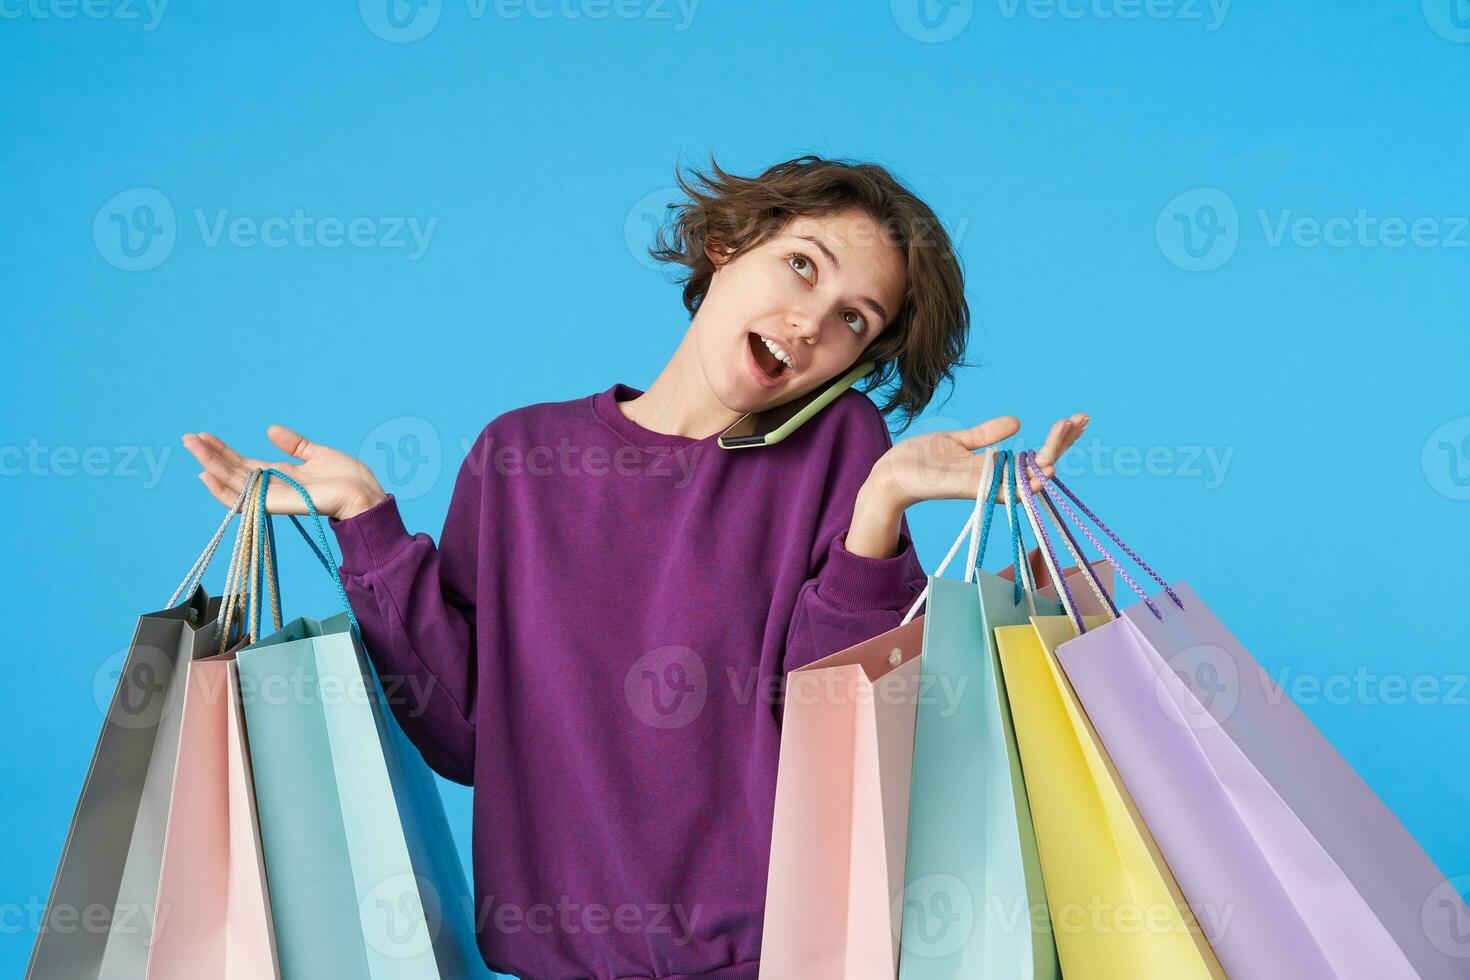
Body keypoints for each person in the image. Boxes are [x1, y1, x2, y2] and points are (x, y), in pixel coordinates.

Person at [181, 154, 1087, 979]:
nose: (812, 321)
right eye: (802, 264)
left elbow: (832, 731)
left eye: (855, 319)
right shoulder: (520, 457)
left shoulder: (840, 453)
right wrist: (366, 523)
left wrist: (881, 510)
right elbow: (462, 734)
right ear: (725, 246)